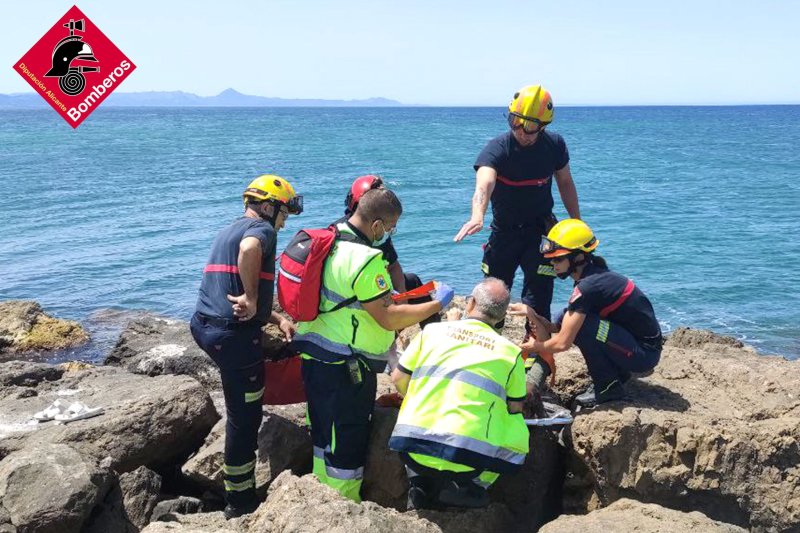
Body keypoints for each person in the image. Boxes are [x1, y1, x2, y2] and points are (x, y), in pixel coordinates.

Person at [291, 188, 454, 502]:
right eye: (390, 228)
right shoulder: (365, 260)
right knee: (347, 441)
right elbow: (388, 318)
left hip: (314, 355)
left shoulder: (329, 236)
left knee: (323, 434)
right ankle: (344, 508)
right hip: (346, 366)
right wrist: (435, 305)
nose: (391, 234)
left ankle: (318, 498)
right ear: (377, 226)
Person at [190, 174, 301, 519]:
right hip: (232, 336)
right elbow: (250, 251)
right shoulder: (262, 232)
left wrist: (274, 318)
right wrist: (253, 299)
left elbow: (231, 286)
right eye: (283, 212)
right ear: (268, 207)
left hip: (204, 325)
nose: (284, 221)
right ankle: (238, 501)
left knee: (240, 393)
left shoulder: (228, 229)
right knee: (244, 415)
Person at [389, 278, 529, 510]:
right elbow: (515, 407)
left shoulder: (431, 332)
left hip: (412, 448)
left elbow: (398, 378)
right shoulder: (510, 353)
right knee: (514, 423)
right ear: (503, 316)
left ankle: (419, 483)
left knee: (416, 398)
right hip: (468, 459)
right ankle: (474, 486)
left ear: (470, 303)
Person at [454, 84, 581, 329]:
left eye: (530, 126)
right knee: (491, 300)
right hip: (504, 234)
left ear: (543, 126)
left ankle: (537, 357)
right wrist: (477, 215)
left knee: (538, 300)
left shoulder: (554, 146)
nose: (521, 131)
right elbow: (484, 183)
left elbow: (565, 182)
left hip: (541, 232)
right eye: (515, 121)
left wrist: (576, 222)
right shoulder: (498, 148)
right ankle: (487, 351)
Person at [510, 219, 662, 407]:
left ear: (578, 257)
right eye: (551, 259)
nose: (553, 263)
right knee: (570, 318)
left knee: (584, 328)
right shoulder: (592, 276)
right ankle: (616, 375)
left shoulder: (588, 287)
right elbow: (557, 326)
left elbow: (562, 343)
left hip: (643, 354)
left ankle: (609, 389)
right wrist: (531, 313)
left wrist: (534, 346)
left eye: (558, 259)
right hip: (633, 345)